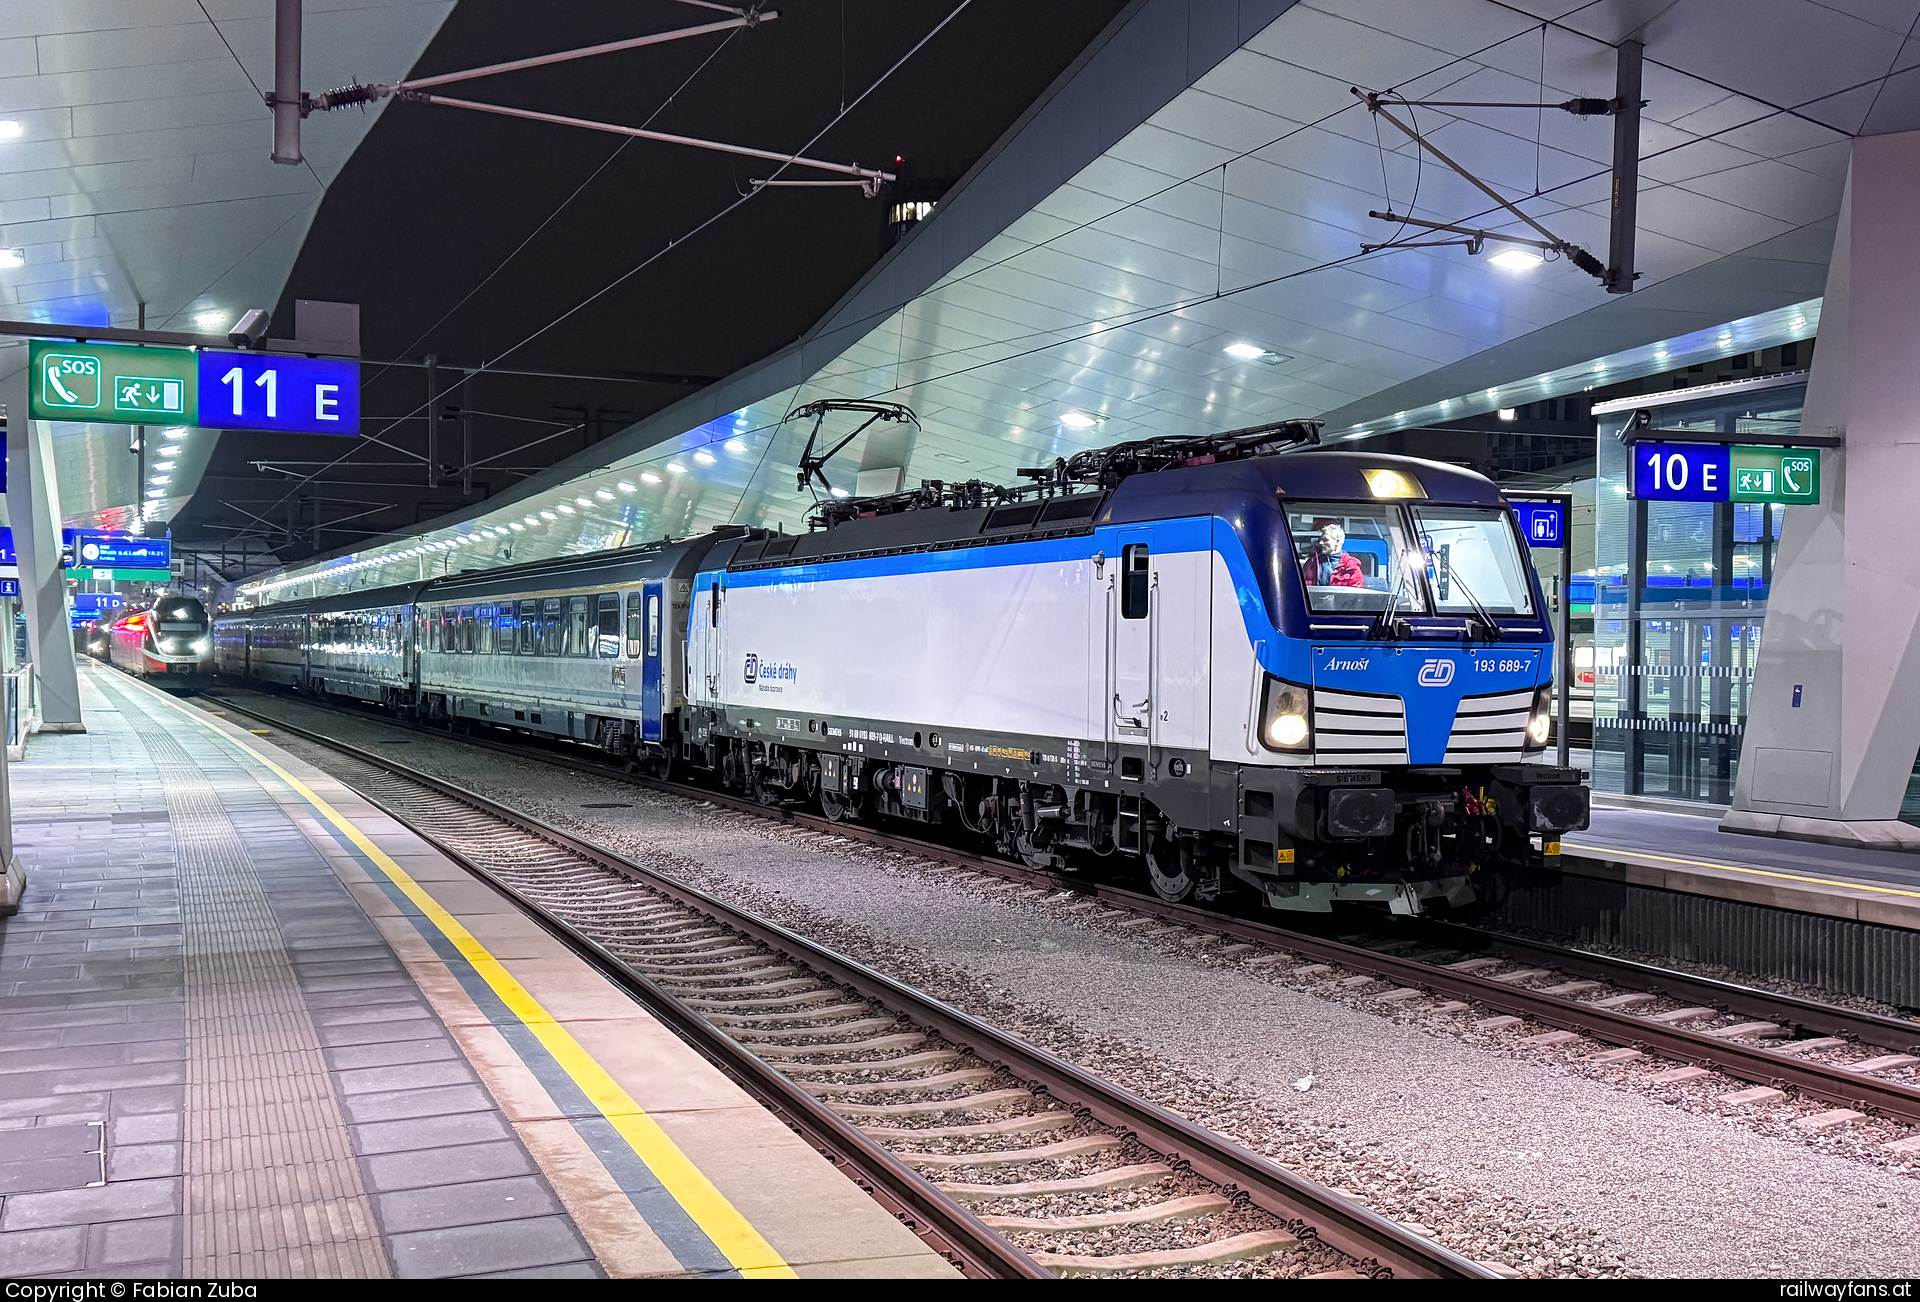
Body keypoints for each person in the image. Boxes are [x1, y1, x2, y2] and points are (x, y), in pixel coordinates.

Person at [1300, 520, 1364, 588]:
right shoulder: (1312, 563)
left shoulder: (1351, 567)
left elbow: (1356, 592)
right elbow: (1304, 587)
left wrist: (1336, 597)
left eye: (1325, 540)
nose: (1321, 543)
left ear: (1337, 541)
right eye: (1320, 540)